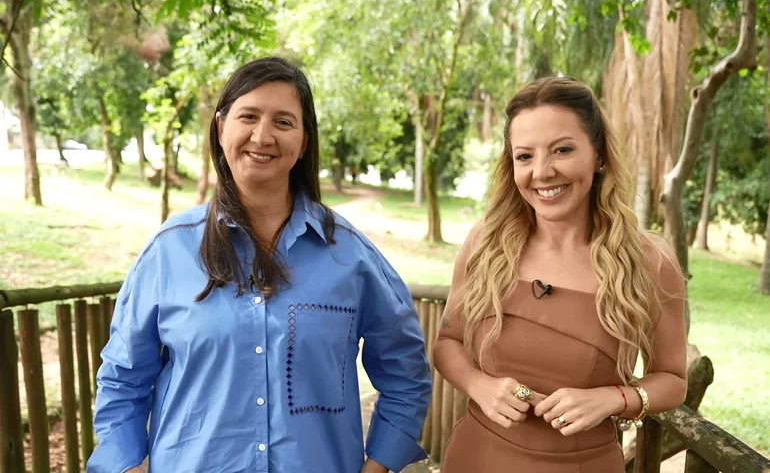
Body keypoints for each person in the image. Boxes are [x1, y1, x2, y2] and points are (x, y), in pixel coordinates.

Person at [87, 57, 431, 473]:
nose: (262, 135)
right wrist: (125, 465)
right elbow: (123, 378)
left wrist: (380, 463)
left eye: (284, 122)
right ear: (220, 127)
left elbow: (406, 372)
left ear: (303, 141)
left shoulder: (351, 257)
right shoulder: (168, 251)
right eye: (248, 116)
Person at [433, 77, 687, 472]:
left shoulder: (650, 262)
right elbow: (448, 342)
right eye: (524, 156)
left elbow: (672, 378)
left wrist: (614, 398)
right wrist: (480, 386)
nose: (542, 172)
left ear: (598, 155)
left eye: (562, 150)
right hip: (477, 457)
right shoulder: (486, 243)